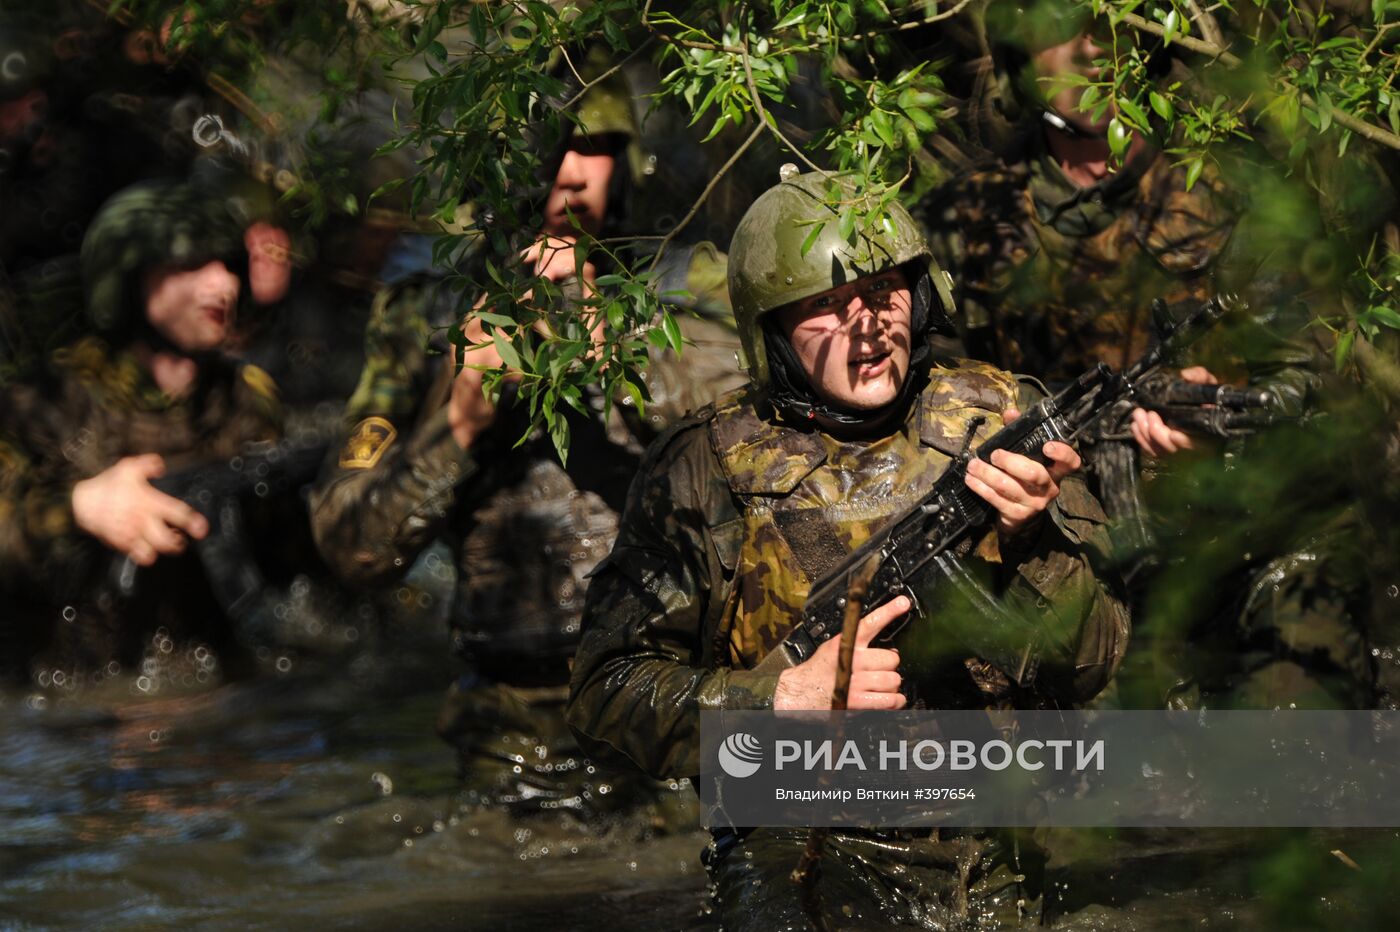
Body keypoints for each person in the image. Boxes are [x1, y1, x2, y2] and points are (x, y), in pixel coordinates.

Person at [566, 166, 1129, 926]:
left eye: (882, 291)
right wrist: (775, 703)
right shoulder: (703, 465)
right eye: (827, 306)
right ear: (772, 330)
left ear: (921, 296)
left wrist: (1034, 543)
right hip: (807, 844)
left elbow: (1095, 662)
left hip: (997, 837)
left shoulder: (1001, 419)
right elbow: (607, 688)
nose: (866, 324)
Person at [309, 64, 746, 821]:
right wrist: (459, 425)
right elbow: (352, 549)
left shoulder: (688, 285)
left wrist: (617, 351)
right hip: (513, 719)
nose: (572, 178)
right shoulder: (425, 318)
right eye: (549, 154)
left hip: (678, 693)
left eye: (596, 149)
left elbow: (770, 449)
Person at [918, 2, 1374, 710]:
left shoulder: (1235, 191)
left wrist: (1220, 415)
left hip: (1259, 546)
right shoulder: (969, 219)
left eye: (1112, 23)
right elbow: (933, 400)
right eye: (1060, 30)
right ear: (1018, 60)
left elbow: (1318, 373)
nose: (1092, 49)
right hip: (1069, 562)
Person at [0, 178, 282, 686]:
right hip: (76, 692)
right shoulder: (45, 401)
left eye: (228, 265)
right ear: (129, 278)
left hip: (215, 681)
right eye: (192, 264)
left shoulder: (244, 400)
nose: (224, 285)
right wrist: (77, 508)